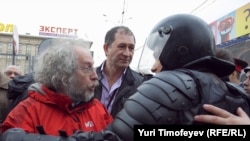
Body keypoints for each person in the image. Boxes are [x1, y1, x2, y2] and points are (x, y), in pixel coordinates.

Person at [2, 14, 250, 141]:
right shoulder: (234, 92)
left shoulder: (163, 86)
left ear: (178, 50)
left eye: (156, 54)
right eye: (122, 47)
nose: (153, 66)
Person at [1, 39, 113, 135]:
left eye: (93, 67)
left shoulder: (98, 110)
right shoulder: (28, 112)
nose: (95, 76)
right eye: (87, 68)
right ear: (64, 73)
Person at [94, 26, 144, 117]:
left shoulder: (141, 85)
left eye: (131, 48)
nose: (127, 53)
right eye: (121, 47)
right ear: (106, 48)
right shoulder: (87, 78)